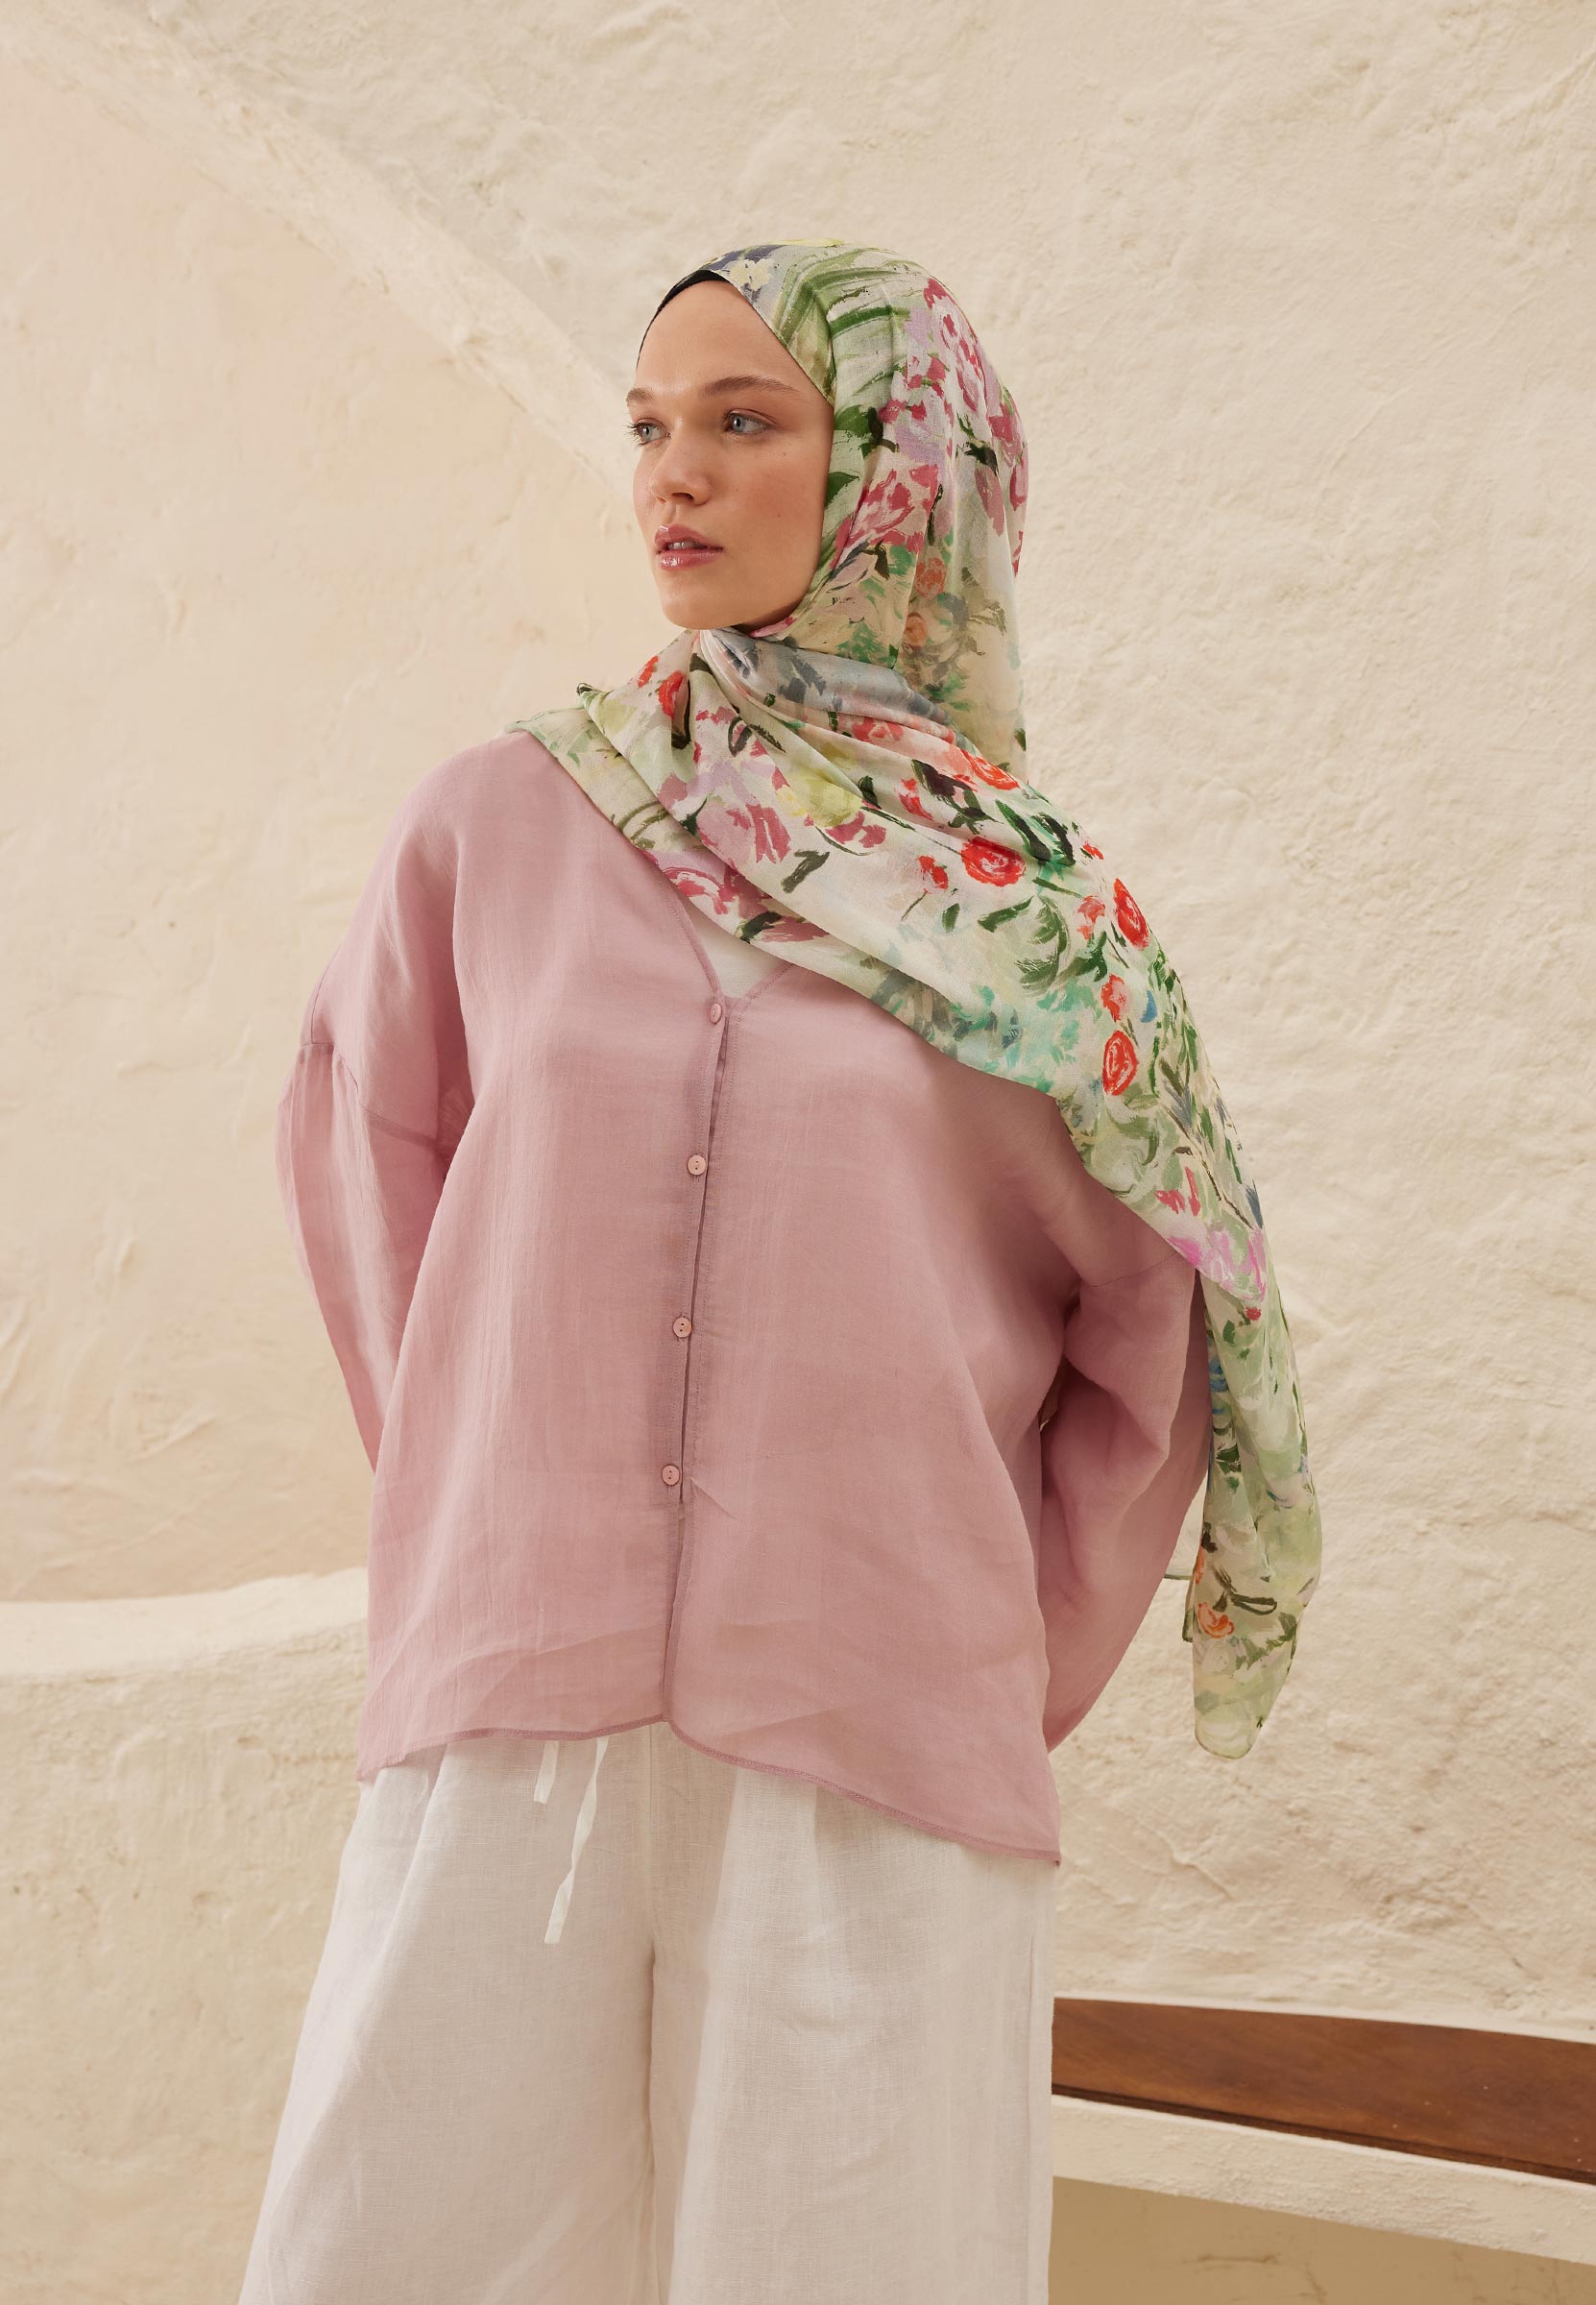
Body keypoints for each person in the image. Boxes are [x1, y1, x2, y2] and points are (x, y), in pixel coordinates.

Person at [240, 241, 1320, 2305]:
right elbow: (368, 1164)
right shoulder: (501, 823)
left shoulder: (1042, 929)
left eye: (747, 421)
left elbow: (1153, 1340)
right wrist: (483, 1496)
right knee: (400, 2243)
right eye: (653, 424)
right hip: (514, 1696)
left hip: (875, 1719)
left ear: (905, 468)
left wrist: (986, 1653)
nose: (676, 473)